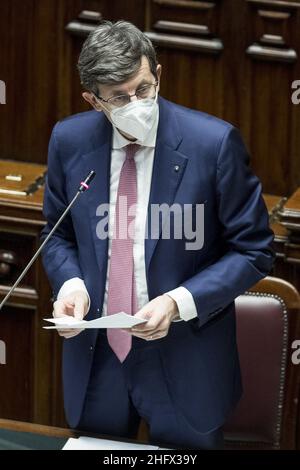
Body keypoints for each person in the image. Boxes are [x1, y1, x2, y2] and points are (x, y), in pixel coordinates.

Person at [41, 20, 275, 449]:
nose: (137, 103)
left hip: (184, 356)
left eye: (143, 89)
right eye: (119, 97)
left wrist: (177, 302)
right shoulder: (69, 141)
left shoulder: (213, 144)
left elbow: (254, 249)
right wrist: (71, 282)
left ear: (158, 75)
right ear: (93, 100)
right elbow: (56, 234)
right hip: (97, 357)